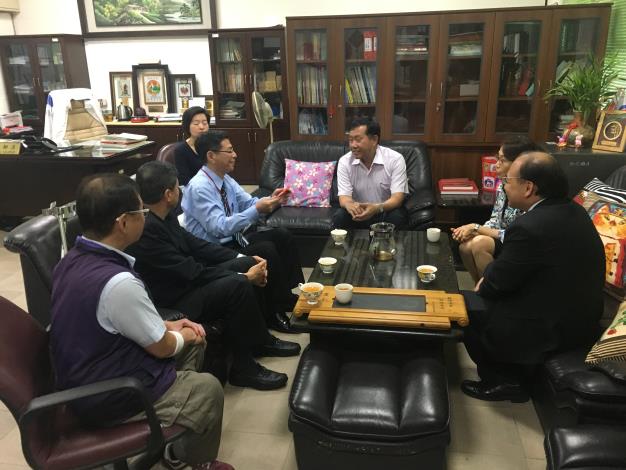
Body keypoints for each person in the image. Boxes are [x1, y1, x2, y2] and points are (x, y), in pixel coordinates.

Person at [49, 173, 233, 470]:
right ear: (123, 223)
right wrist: (186, 334)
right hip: (108, 396)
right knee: (207, 388)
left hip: (87, 371)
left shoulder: (70, 260)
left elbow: (116, 320)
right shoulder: (119, 283)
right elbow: (163, 347)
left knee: (189, 340)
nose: (145, 217)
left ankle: (173, 433)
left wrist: (170, 326)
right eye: (141, 212)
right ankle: (196, 462)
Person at [127, 160, 301, 390]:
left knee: (250, 262)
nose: (181, 191)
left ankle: (261, 340)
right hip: (175, 298)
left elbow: (195, 245)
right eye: (178, 187)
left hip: (186, 282)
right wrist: (243, 276)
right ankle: (243, 370)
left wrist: (241, 258)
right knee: (237, 285)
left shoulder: (163, 215)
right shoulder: (148, 230)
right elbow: (191, 271)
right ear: (168, 194)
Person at [460, 152, 605, 403]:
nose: (504, 186)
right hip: (580, 317)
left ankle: (504, 380)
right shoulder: (573, 210)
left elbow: (496, 283)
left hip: (553, 326)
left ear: (528, 188)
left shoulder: (530, 226)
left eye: (507, 180)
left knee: (461, 305)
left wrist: (487, 279)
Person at [182, 131, 304, 332]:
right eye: (229, 151)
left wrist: (270, 200)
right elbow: (219, 227)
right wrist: (257, 209)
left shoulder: (225, 179)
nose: (235, 155)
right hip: (213, 252)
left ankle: (287, 296)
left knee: (282, 235)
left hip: (234, 240)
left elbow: (249, 203)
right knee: (266, 249)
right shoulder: (199, 187)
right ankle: (273, 314)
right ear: (211, 156)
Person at [451, 137, 541, 283]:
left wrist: (476, 228)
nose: (496, 164)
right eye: (497, 158)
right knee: (465, 246)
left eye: (502, 160)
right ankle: (479, 286)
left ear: (518, 164)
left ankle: (492, 289)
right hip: (500, 236)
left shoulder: (526, 192)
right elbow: (495, 220)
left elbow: (515, 233)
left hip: (516, 241)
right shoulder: (502, 184)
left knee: (480, 243)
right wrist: (472, 231)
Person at [333, 117, 409, 229]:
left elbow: (397, 198)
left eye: (358, 140)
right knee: (340, 216)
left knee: (397, 216)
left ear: (374, 140)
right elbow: (344, 197)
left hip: (384, 211)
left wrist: (377, 208)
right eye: (350, 140)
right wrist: (350, 205)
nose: (353, 145)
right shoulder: (345, 161)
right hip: (358, 212)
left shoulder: (395, 159)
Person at [175, 106, 210, 186]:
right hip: (194, 189)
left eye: (205, 123)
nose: (201, 127)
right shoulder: (181, 150)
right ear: (187, 126)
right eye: (196, 123)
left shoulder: (214, 145)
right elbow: (184, 180)